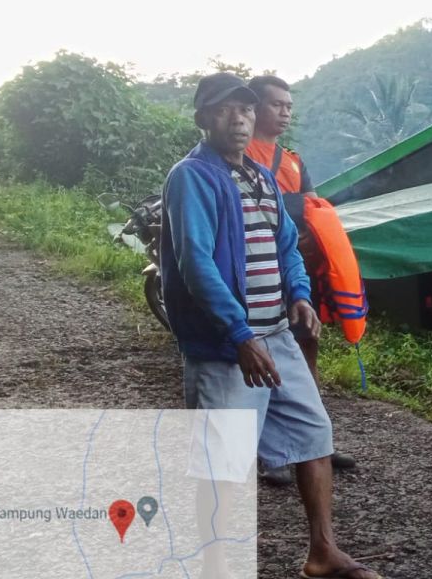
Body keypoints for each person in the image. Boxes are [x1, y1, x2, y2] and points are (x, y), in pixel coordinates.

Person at [161, 73, 380, 579]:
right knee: (224, 464)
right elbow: (196, 262)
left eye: (244, 109)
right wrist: (240, 334)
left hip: (278, 334)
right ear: (203, 119)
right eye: (224, 110)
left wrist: (300, 296)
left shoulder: (259, 176)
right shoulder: (192, 176)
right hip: (226, 346)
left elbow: (286, 246)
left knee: (313, 434)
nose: (238, 118)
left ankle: (322, 553)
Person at [245, 75, 357, 484]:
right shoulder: (239, 155)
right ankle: (270, 454)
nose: (286, 111)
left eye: (289, 105)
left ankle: (313, 444)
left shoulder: (293, 160)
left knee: (307, 345)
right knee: (263, 356)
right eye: (277, 104)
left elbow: (311, 211)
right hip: (255, 270)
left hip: (297, 268)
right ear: (253, 107)